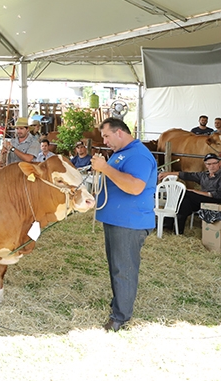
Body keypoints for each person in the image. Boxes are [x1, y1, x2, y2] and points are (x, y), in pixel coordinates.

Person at [91, 117, 157, 332]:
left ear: (120, 132)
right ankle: (120, 303)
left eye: (107, 136)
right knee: (117, 266)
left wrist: (105, 169)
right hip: (116, 219)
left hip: (129, 221)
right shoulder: (122, 153)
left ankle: (120, 317)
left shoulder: (138, 155)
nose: (105, 141)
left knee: (124, 269)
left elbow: (135, 187)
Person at [159, 153, 221, 233]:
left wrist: (196, 191)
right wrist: (168, 173)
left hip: (216, 200)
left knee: (188, 195)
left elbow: (218, 194)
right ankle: (177, 230)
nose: (212, 166)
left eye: (214, 163)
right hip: (203, 200)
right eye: (209, 164)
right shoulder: (204, 175)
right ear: (206, 165)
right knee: (185, 200)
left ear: (219, 163)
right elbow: (187, 175)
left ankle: (169, 224)